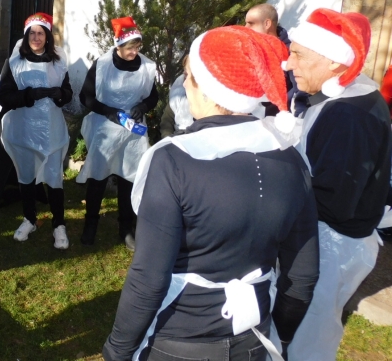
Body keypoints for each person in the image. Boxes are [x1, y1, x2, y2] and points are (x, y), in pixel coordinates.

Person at [103, 26, 319, 361]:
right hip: (252, 337)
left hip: (178, 340)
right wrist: (282, 334)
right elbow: (302, 274)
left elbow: (149, 279)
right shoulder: (291, 158)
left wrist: (117, 349)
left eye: (189, 76)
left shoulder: (173, 160)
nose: (185, 85)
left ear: (209, 90)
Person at [285, 9, 391, 361]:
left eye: (299, 54)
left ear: (333, 62)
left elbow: (333, 201)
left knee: (309, 333)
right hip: (337, 238)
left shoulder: (349, 115)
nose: (289, 62)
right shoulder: (349, 97)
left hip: (332, 245)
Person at [76, 17, 158, 249]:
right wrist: (108, 111)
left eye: (137, 47)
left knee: (128, 178)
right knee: (97, 176)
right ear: (118, 46)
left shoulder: (146, 66)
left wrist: (143, 107)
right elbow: (85, 96)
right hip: (105, 127)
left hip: (133, 131)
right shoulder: (102, 65)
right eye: (129, 48)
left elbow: (153, 96)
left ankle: (126, 228)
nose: (134, 52)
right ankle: (90, 223)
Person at [0, 12, 73, 249]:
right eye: (32, 33)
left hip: (51, 129)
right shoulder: (14, 62)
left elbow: (68, 91)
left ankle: (58, 224)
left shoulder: (58, 61)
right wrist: (27, 95)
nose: (36, 37)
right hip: (24, 129)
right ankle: (29, 218)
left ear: (48, 36)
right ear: (26, 35)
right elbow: (4, 96)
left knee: (54, 177)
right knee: (27, 175)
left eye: (41, 33)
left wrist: (61, 95)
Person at [245, 3, 308, 116]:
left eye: (251, 23)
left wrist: (299, 120)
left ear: (267, 24)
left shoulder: (291, 52)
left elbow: (302, 91)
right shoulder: (251, 51)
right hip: (254, 121)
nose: (246, 28)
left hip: (283, 121)